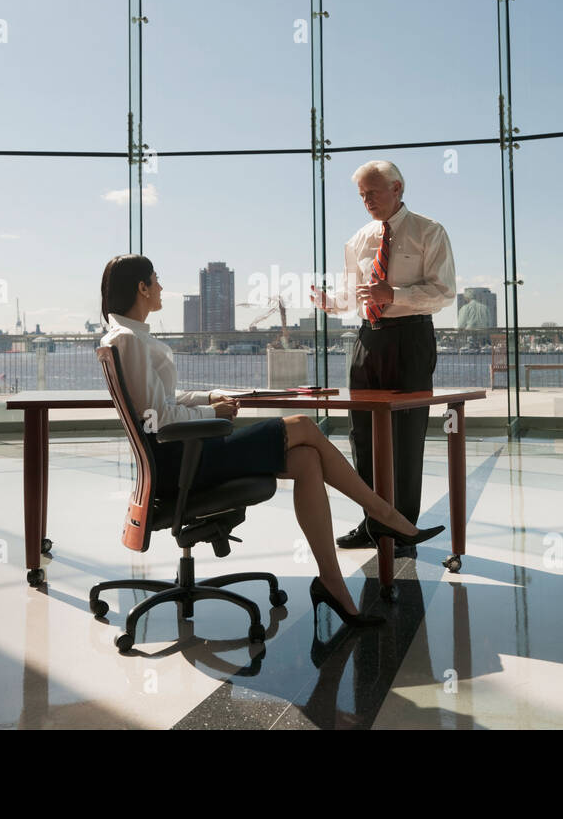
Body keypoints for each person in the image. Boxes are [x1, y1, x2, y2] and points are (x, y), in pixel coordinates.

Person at [99, 254, 443, 628]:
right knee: (304, 427)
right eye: (156, 279)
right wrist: (214, 414)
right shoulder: (128, 339)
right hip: (180, 464)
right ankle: (385, 515)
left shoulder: (129, 336)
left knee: (308, 459)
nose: (162, 286)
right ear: (141, 288)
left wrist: (210, 396)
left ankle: (332, 583)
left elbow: (164, 400)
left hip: (183, 457)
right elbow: (159, 419)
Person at [309, 160, 456, 550]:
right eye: (361, 195)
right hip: (366, 341)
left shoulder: (429, 231)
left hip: (411, 339)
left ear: (397, 188)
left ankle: (403, 527)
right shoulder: (359, 238)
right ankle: (373, 521)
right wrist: (331, 303)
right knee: (362, 435)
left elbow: (444, 292)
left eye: (372, 192)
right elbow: (352, 293)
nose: (366, 201)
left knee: (406, 434)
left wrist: (394, 296)